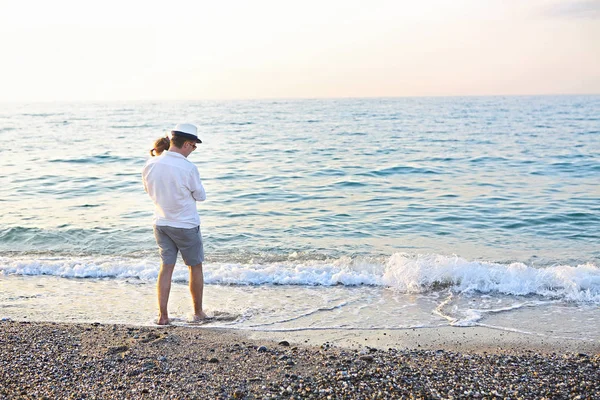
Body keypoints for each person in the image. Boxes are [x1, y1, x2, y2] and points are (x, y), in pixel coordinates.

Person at [142, 123, 208, 325]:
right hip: (186, 225)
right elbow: (201, 196)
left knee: (166, 267)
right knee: (194, 267)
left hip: (161, 223)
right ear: (187, 144)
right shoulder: (188, 168)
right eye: (194, 146)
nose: (194, 150)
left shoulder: (150, 165)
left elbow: (149, 191)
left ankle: (163, 316)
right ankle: (197, 313)